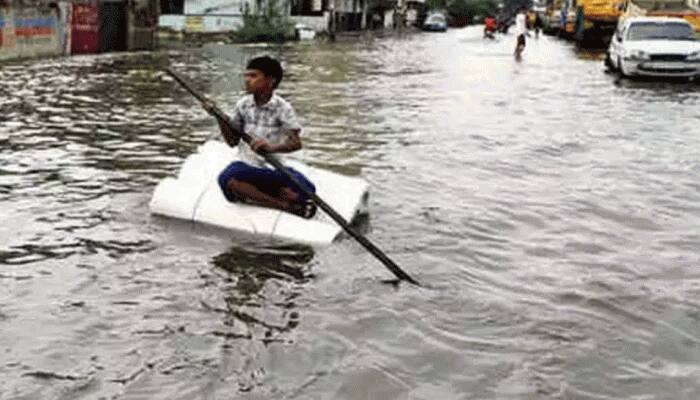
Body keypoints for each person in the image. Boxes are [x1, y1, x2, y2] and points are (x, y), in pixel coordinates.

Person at [208, 56, 317, 219]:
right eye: (246, 76)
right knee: (226, 178)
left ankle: (264, 193)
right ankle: (284, 206)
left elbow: (296, 143)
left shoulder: (283, 108)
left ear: (270, 81)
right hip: (246, 165)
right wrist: (219, 118)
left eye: (253, 76)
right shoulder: (243, 105)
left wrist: (271, 148)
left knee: (308, 190)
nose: (247, 80)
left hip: (273, 167)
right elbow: (232, 142)